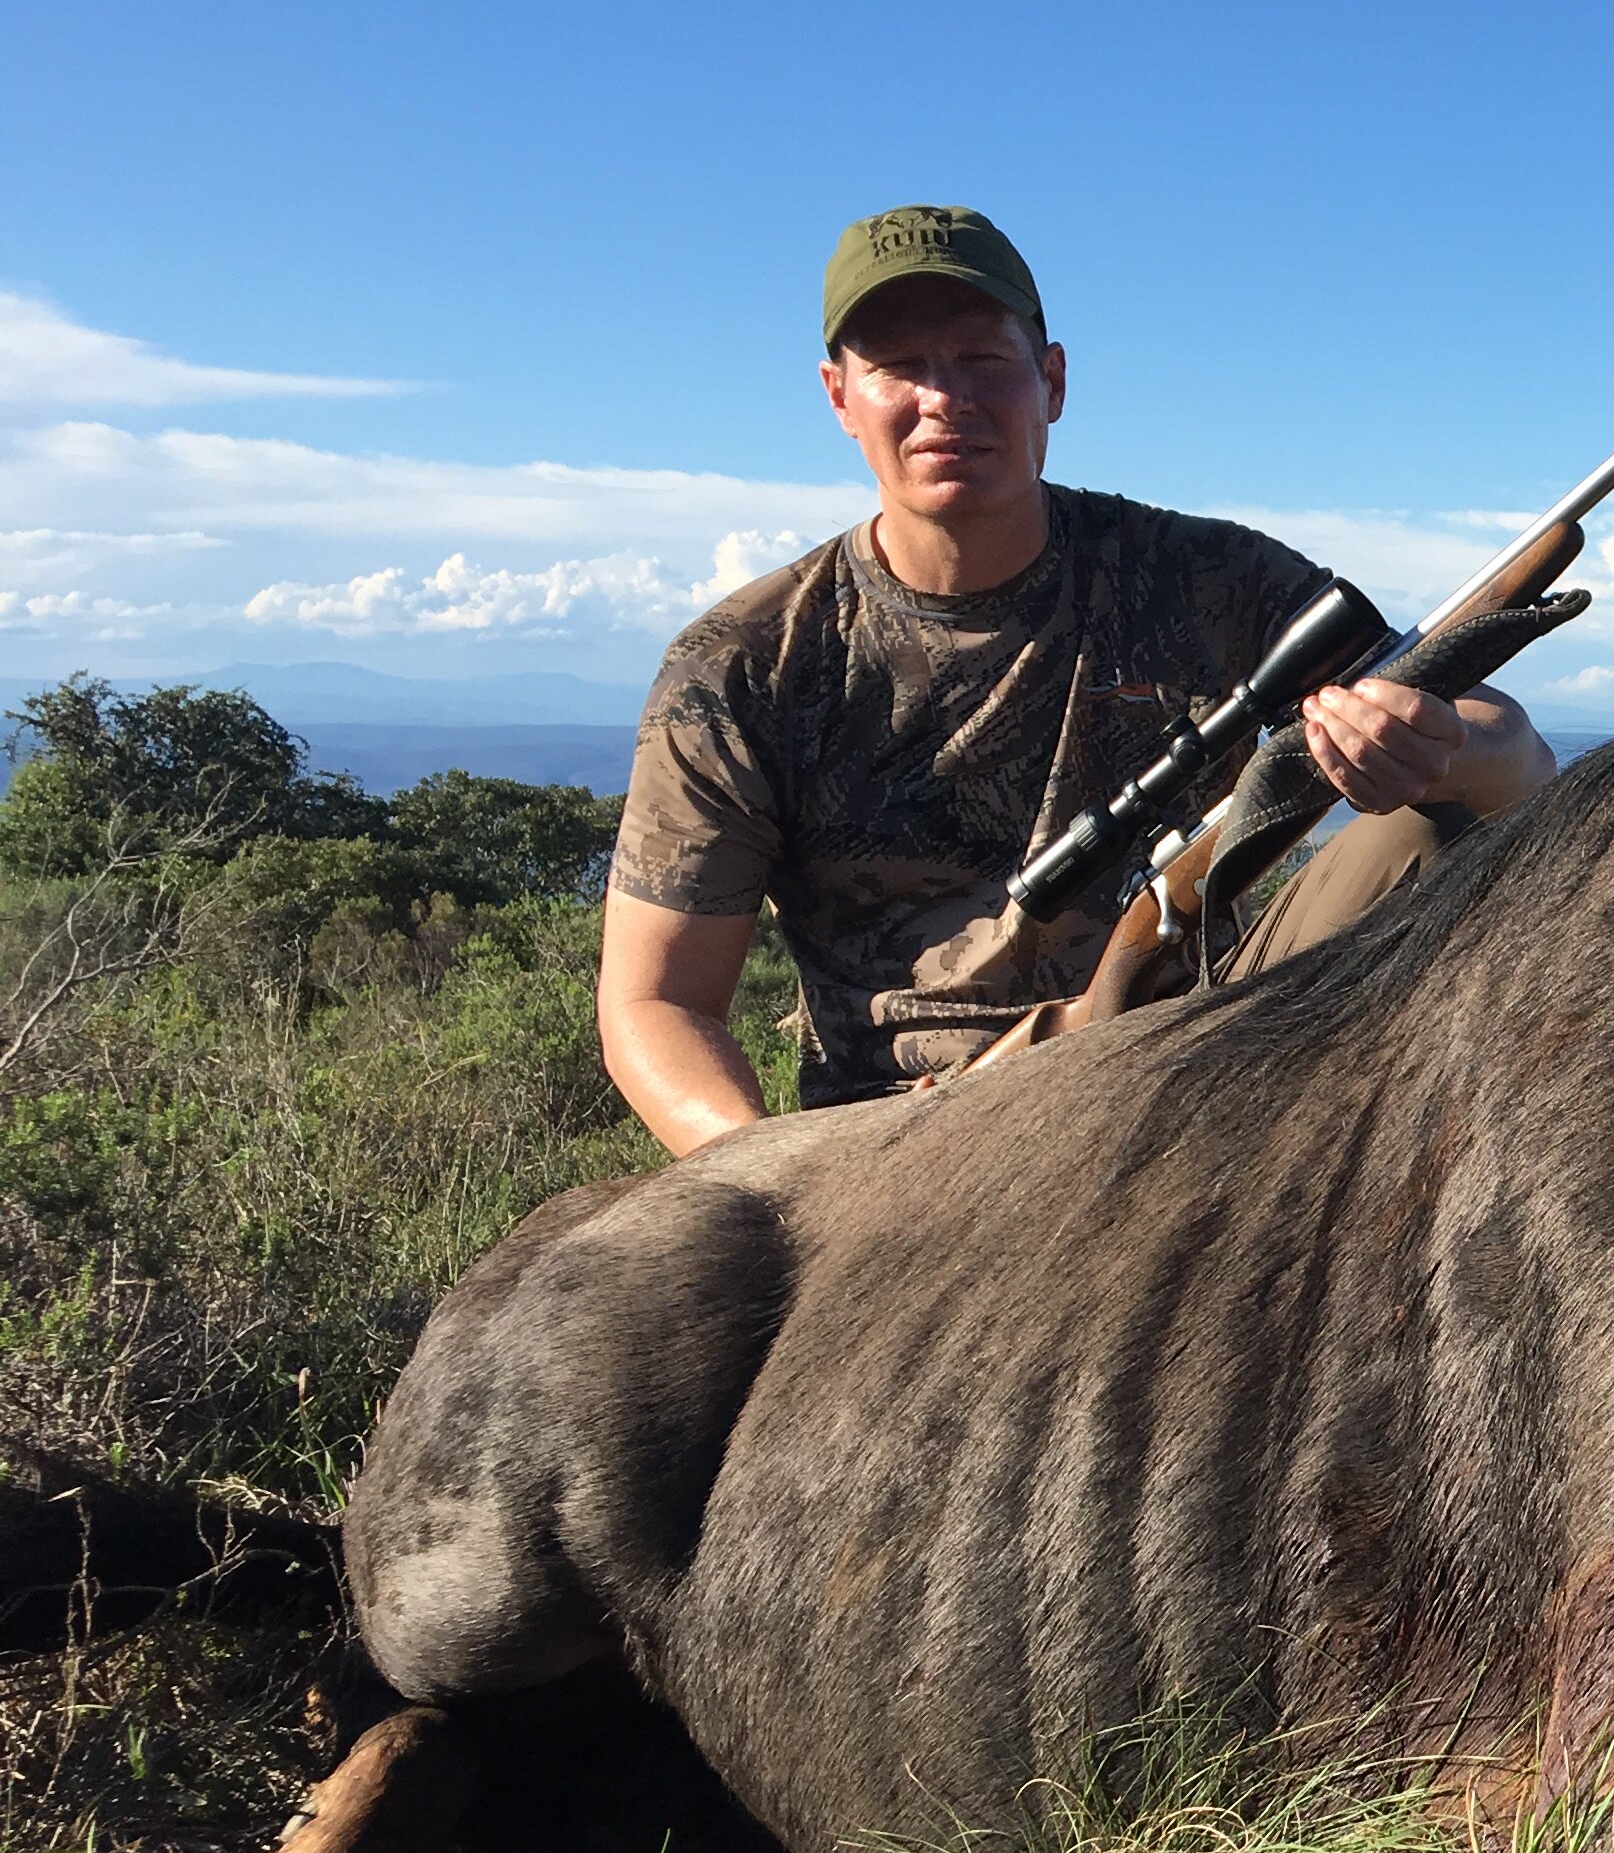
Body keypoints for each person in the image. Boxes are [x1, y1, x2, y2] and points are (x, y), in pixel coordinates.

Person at [600, 207, 1551, 1153]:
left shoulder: (1211, 577)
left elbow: (1518, 761)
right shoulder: (741, 663)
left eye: (982, 359)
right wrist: (781, 1178)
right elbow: (655, 1002)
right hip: (887, 1139)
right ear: (840, 397)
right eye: (898, 365)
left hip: (1194, 1053)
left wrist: (1442, 745)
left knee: (1429, 828)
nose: (945, 398)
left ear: (1051, 382)